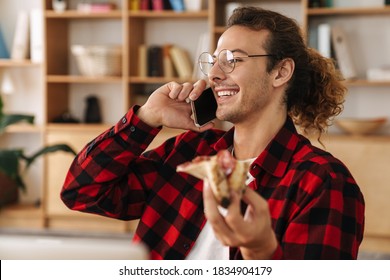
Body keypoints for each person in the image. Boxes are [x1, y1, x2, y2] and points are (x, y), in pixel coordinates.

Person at [61, 7, 365, 260]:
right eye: (214, 61)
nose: (215, 74)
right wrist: (145, 119)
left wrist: (261, 251)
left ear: (281, 72)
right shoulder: (189, 153)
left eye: (233, 60)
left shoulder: (322, 182)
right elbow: (82, 192)